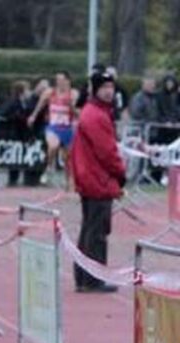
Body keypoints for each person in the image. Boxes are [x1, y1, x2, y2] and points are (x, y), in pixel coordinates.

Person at [70, 69, 126, 294]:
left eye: (111, 87)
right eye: (104, 87)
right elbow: (107, 152)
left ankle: (84, 277)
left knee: (89, 229)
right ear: (95, 89)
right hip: (97, 180)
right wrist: (121, 174)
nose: (109, 92)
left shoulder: (92, 112)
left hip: (91, 178)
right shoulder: (96, 115)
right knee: (96, 232)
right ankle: (92, 279)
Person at [31, 70, 76, 186]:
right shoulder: (50, 92)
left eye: (61, 80)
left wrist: (71, 105)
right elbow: (40, 104)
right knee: (53, 146)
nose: (59, 82)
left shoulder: (73, 93)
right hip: (53, 126)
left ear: (67, 81)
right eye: (57, 80)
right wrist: (33, 116)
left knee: (67, 158)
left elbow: (76, 112)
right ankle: (49, 167)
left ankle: (68, 183)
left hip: (66, 128)